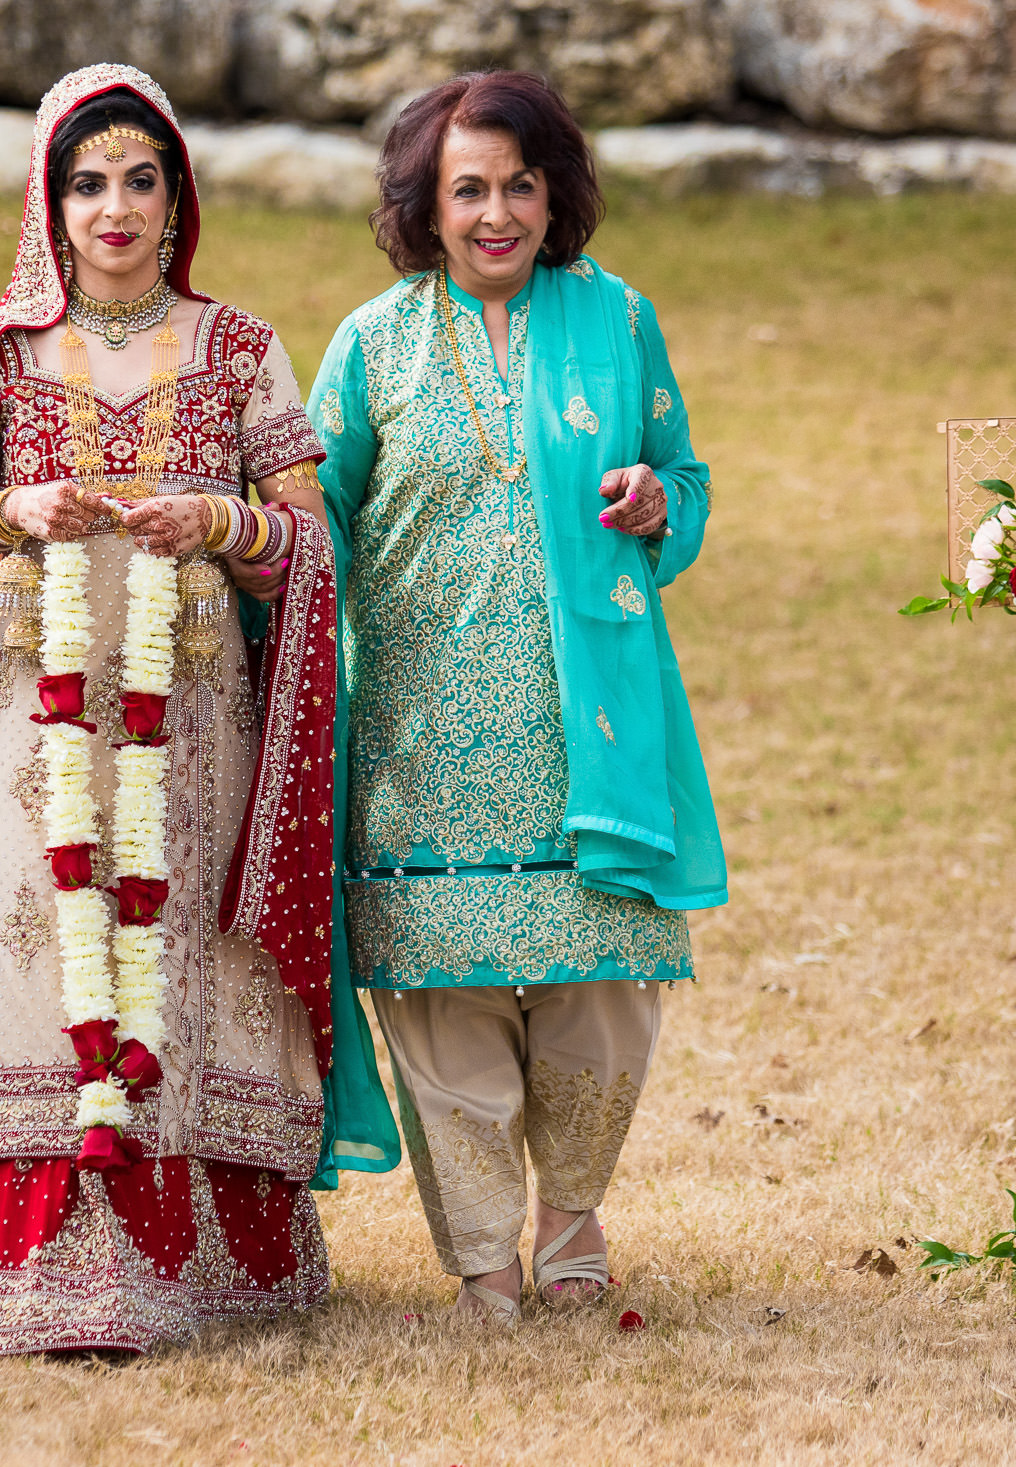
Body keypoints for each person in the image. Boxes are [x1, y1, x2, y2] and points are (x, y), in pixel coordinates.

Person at [0, 63, 396, 1358]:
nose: (115, 206)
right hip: (24, 718)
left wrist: (217, 518)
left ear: (177, 198)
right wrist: (15, 513)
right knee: (40, 953)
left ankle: (207, 1260)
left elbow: (310, 555)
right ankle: (32, 1255)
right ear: (48, 202)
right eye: (88, 181)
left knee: (179, 952)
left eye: (140, 180)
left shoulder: (242, 348)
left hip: (194, 708)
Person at [307, 71, 728, 1324]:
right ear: (423, 210)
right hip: (421, 736)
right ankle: (486, 1254)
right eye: (467, 190)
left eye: (520, 185)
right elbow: (310, 519)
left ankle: (575, 1221)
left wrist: (660, 505)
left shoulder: (617, 320)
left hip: (587, 724)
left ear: (557, 194)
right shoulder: (372, 345)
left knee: (602, 991)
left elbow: (682, 477)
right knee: (444, 1007)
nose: (497, 214)